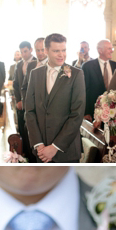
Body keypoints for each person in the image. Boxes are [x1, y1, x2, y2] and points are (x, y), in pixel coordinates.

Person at [25, 33, 85, 163]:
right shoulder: (35, 74)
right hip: (41, 152)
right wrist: (38, 144)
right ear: (46, 51)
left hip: (66, 152)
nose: (61, 55)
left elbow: (77, 114)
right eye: (56, 51)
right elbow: (29, 111)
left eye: (63, 50)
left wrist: (55, 147)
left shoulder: (76, 74)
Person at [82, 40, 116, 119]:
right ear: (100, 50)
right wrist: (86, 112)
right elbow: (84, 90)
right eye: (109, 49)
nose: (112, 51)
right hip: (94, 111)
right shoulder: (88, 66)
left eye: (112, 48)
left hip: (112, 111)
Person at [13, 41, 35, 161]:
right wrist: (19, 100)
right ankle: (25, 152)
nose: (23, 54)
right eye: (21, 52)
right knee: (23, 129)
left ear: (31, 50)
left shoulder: (37, 62)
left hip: (33, 102)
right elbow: (16, 84)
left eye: (25, 51)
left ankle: (33, 156)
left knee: (32, 130)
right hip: (22, 103)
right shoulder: (19, 64)